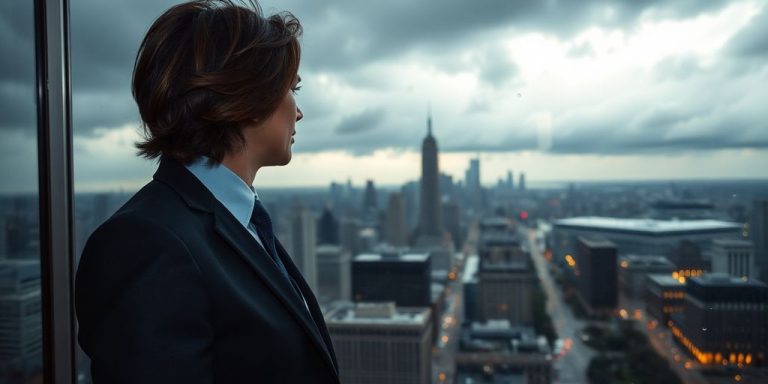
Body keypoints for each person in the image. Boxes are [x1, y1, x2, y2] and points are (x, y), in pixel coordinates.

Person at [74, 1, 339, 383]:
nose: (299, 113)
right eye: (291, 88)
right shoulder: (146, 243)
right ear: (250, 97)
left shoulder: (239, 222)